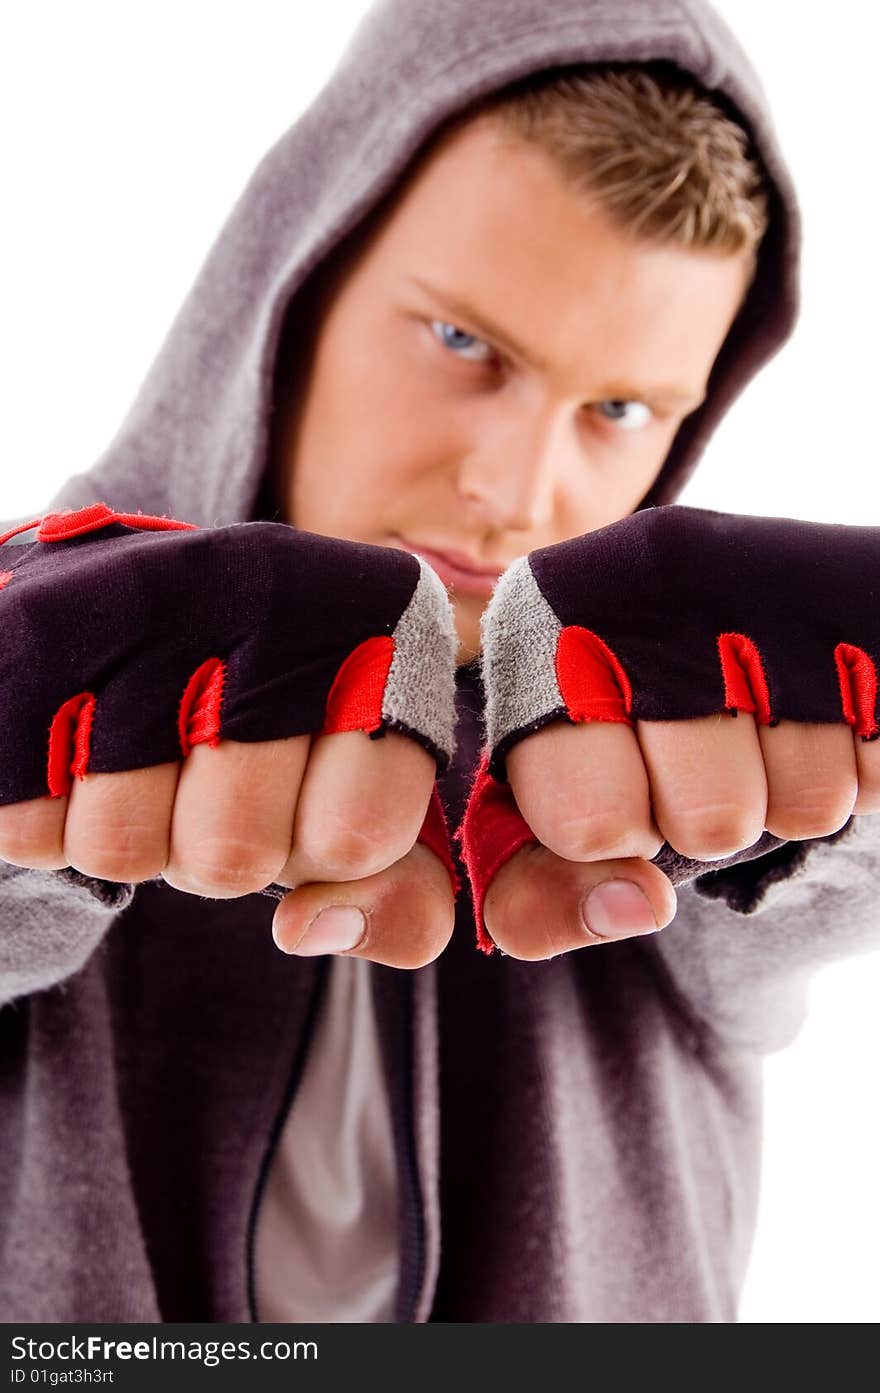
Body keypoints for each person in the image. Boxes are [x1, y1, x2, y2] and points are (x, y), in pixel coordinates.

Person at [0, 0, 877, 1323]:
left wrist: (808, 827)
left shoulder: (691, 752)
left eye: (619, 409)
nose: (516, 488)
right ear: (291, 285)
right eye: (465, 344)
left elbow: (803, 895)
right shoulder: (37, 633)